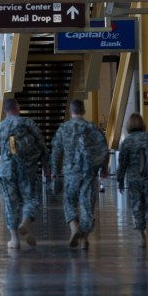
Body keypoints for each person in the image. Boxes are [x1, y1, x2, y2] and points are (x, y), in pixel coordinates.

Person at [0, 98, 47, 249]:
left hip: (6, 171)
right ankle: (25, 222)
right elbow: (41, 143)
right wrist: (46, 164)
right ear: (17, 108)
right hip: (27, 168)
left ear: (5, 110)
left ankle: (14, 239)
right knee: (31, 198)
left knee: (11, 204)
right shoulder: (28, 123)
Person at [50, 99, 109, 249]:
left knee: (69, 202)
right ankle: (84, 239)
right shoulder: (92, 128)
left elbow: (56, 151)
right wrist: (104, 168)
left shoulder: (64, 128)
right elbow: (103, 148)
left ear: (71, 112)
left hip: (70, 173)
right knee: (87, 205)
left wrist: (55, 172)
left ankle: (74, 227)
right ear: (83, 111)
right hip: (89, 172)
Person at [117, 113, 148, 247]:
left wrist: (120, 180)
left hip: (134, 179)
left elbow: (122, 163)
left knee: (137, 205)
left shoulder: (127, 141)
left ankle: (141, 237)